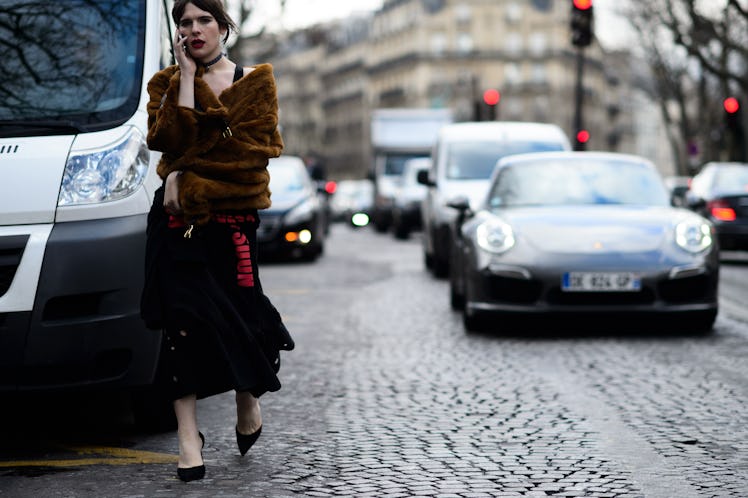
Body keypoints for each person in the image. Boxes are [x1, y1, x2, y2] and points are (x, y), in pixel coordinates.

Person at [140, 0, 294, 482]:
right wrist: (185, 81)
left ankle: (247, 397)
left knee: (242, 316)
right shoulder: (166, 85)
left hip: (231, 223)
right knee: (181, 324)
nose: (194, 29)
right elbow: (167, 140)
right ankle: (189, 439)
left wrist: (185, 176)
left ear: (224, 26)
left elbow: (253, 155)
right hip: (177, 226)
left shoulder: (255, 81)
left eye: (204, 20)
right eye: (184, 22)